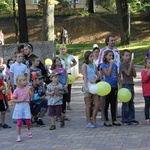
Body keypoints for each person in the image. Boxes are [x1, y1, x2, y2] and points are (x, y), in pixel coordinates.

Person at [98, 34, 121, 119]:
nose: (113, 42)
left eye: (114, 40)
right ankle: (103, 114)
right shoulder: (103, 50)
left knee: (115, 96)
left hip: (115, 76)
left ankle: (115, 112)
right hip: (106, 77)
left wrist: (119, 77)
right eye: (111, 40)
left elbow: (118, 64)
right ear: (107, 41)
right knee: (104, 97)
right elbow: (100, 64)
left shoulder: (117, 51)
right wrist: (101, 77)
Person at [101, 50, 121, 127]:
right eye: (109, 55)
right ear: (105, 56)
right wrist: (111, 65)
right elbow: (108, 74)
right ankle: (106, 120)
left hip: (114, 86)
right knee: (106, 104)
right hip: (107, 87)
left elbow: (117, 75)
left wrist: (120, 83)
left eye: (112, 56)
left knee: (113, 104)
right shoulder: (104, 66)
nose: (111, 57)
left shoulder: (115, 65)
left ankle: (114, 119)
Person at [82, 51, 101, 128]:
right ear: (87, 57)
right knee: (88, 104)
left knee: (97, 104)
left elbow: (98, 75)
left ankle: (94, 120)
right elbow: (85, 77)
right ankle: (88, 121)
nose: (92, 58)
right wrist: (86, 87)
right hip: (87, 86)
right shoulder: (85, 65)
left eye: (92, 56)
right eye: (90, 56)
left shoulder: (94, 65)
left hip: (94, 86)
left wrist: (95, 80)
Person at [12, 75, 34, 142]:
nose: (25, 82)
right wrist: (20, 100)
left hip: (26, 105)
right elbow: (13, 100)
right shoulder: (16, 90)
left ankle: (29, 130)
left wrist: (32, 90)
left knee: (28, 121)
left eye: (25, 80)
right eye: (23, 80)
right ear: (18, 82)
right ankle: (18, 136)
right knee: (19, 122)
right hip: (19, 106)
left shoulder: (27, 89)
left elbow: (32, 96)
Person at [120, 49, 139, 125]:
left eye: (129, 56)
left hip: (131, 84)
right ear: (123, 56)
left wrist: (133, 66)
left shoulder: (130, 64)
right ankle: (124, 119)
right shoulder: (122, 64)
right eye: (126, 55)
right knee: (125, 102)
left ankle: (132, 118)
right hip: (125, 84)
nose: (128, 57)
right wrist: (131, 65)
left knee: (131, 102)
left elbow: (134, 75)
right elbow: (127, 73)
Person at [57, 44, 77, 110]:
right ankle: (61, 103)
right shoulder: (58, 57)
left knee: (68, 89)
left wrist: (70, 66)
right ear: (59, 50)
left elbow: (75, 62)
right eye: (61, 49)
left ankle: (68, 104)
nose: (63, 50)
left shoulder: (70, 56)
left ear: (66, 49)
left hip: (68, 73)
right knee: (61, 88)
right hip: (61, 74)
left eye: (64, 49)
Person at [51, 57, 70, 121]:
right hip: (59, 87)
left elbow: (67, 77)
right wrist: (60, 85)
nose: (59, 62)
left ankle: (64, 114)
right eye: (57, 61)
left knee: (64, 101)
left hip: (64, 87)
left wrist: (66, 84)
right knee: (58, 101)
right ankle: (58, 115)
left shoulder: (64, 69)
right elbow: (54, 80)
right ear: (54, 63)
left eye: (59, 61)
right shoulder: (54, 71)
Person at [141, 57, 150, 125]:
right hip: (147, 92)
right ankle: (147, 118)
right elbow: (144, 80)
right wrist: (148, 74)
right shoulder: (143, 72)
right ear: (145, 64)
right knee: (147, 104)